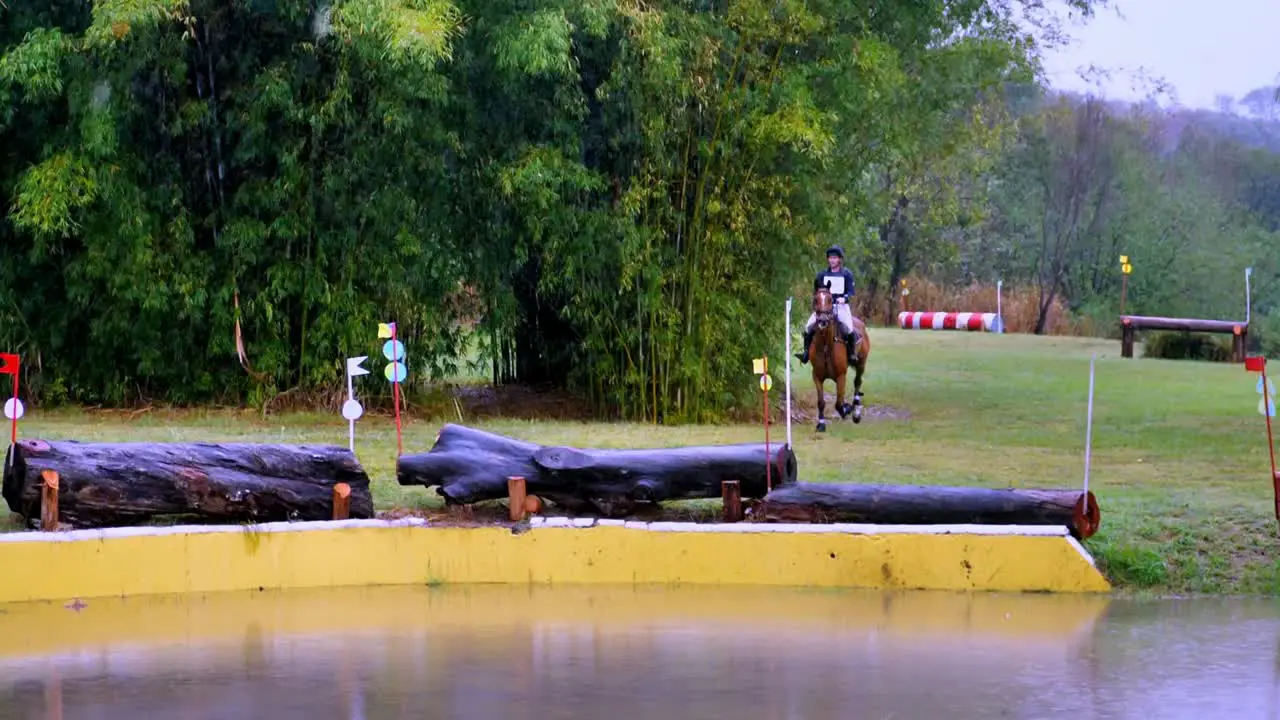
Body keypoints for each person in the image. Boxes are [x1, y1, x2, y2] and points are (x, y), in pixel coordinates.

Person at [796, 245, 858, 365]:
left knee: (849, 328)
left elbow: (851, 292)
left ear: (839, 259)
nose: (832, 260)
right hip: (824, 307)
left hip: (841, 306)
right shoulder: (822, 275)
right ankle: (806, 353)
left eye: (834, 258)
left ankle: (851, 354)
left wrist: (843, 298)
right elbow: (816, 291)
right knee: (808, 326)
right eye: (830, 258)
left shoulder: (846, 274)